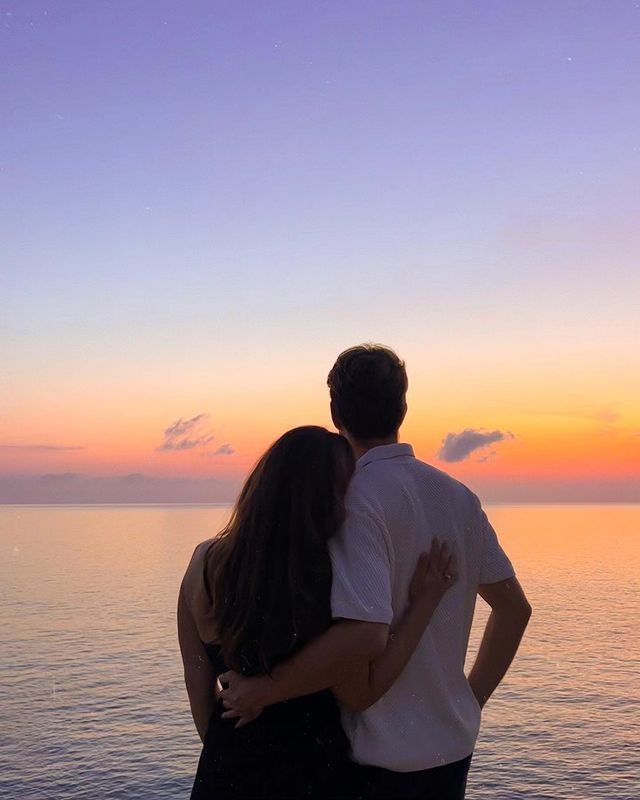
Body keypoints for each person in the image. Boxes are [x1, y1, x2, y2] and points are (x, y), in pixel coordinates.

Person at [220, 345, 532, 800]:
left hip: (375, 761)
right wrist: (470, 698)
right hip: (451, 748)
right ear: (403, 407)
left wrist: (265, 691)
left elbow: (362, 636)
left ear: (334, 412)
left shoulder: (350, 501)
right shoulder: (458, 497)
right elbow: (514, 609)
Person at [178, 425, 458, 800]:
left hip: (223, 771)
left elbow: (200, 692)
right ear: (329, 498)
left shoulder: (203, 564)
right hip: (314, 775)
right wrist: (424, 602)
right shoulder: (323, 581)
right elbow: (364, 691)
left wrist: (230, 754)